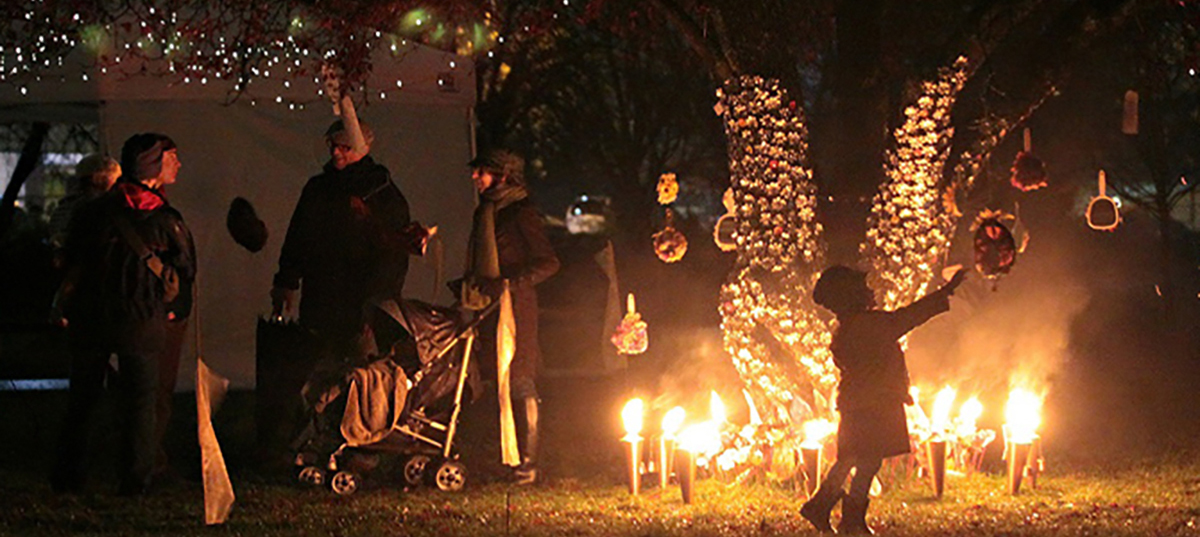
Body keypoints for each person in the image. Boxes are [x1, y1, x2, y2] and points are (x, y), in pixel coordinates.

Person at [51, 133, 195, 496]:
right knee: (142, 402)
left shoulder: (91, 213)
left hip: (91, 317)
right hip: (141, 317)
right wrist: (174, 308)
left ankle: (70, 476)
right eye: (171, 157)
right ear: (152, 163)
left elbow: (70, 261)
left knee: (83, 398)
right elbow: (185, 268)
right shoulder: (164, 218)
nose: (177, 164)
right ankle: (136, 479)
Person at [800, 265, 966, 534]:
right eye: (865, 289)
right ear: (852, 295)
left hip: (858, 404)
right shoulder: (870, 325)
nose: (871, 291)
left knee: (855, 458)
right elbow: (908, 317)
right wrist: (944, 292)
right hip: (875, 404)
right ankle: (843, 516)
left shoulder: (846, 329)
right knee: (864, 460)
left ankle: (829, 509)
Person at [270, 106, 412, 360]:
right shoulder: (318, 188)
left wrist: (378, 304)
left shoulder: (382, 194)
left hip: (360, 302)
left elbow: (394, 254)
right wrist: (286, 280)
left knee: (357, 375)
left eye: (345, 147)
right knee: (317, 369)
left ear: (361, 148)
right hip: (320, 298)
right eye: (333, 145)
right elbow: (299, 237)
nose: (336, 152)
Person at [460, 149, 559, 485]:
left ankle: (528, 463)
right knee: (496, 381)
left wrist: (510, 284)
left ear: (502, 175)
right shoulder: (487, 212)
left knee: (519, 379)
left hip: (515, 308)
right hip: (491, 307)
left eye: (482, 172)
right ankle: (506, 456)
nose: (476, 177)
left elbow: (548, 262)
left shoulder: (520, 213)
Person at [48, 154, 121, 250]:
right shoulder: (97, 210)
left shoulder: (64, 209)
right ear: (98, 178)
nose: (118, 184)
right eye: (115, 179)